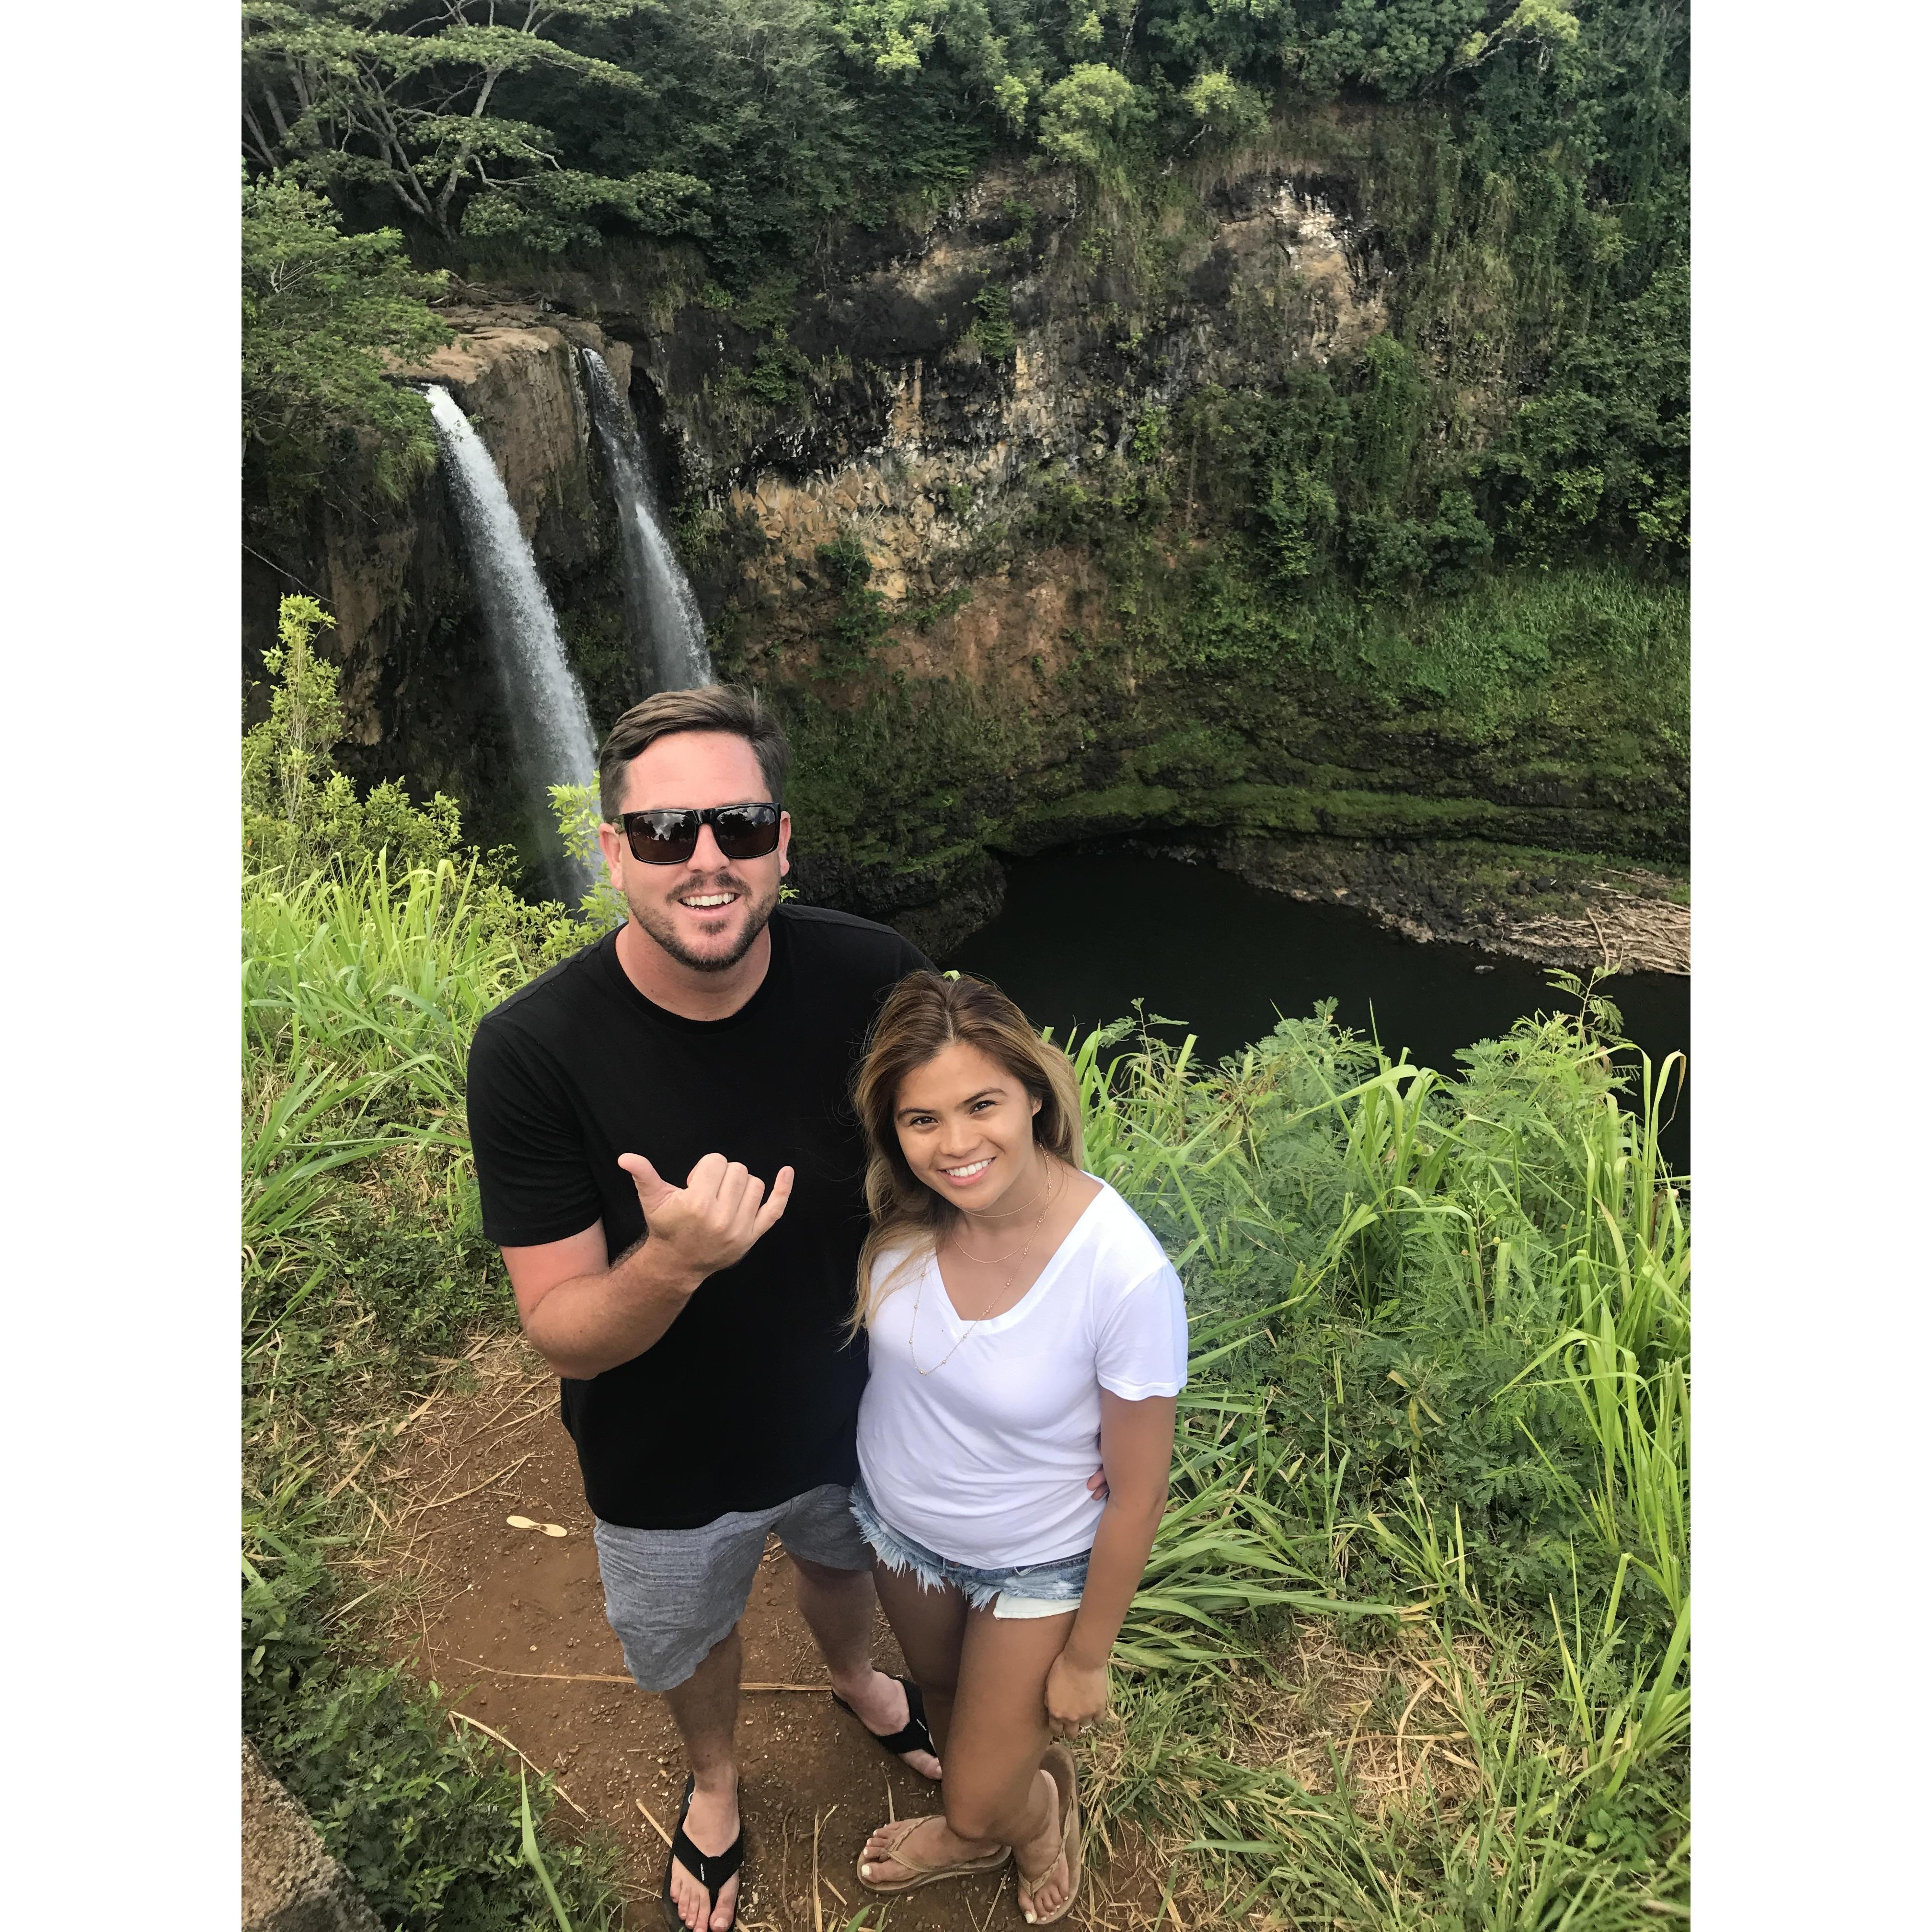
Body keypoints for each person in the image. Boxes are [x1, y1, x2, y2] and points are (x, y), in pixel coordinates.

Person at [465, 687, 946, 1932]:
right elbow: (563, 1326)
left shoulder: (878, 976)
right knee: (691, 1638)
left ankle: (855, 1678)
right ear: (614, 851)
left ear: (782, 840)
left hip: (858, 1416)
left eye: (737, 824)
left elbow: (956, 1172)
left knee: (843, 1568)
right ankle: (720, 1781)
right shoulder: (531, 1052)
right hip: (662, 1452)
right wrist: (674, 1261)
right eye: (668, 833)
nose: (709, 860)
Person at [845, 972, 1190, 1925]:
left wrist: (1087, 1657)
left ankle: (1024, 1817)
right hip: (900, 1530)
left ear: (1034, 1094)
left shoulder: (1122, 1275)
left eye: (981, 1104)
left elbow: (1138, 1492)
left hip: (1033, 1564)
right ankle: (1003, 1776)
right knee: (945, 1698)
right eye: (921, 1120)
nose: (954, 1145)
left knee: (980, 1794)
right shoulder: (900, 1215)